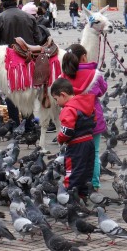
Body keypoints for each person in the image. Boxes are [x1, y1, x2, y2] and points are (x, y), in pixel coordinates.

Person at [0, 0, 43, 129]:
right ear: (15, 0)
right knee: (26, 94)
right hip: (28, 61)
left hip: (8, 64)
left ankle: (15, 125)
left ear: (2, 2)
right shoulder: (29, 17)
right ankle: (29, 125)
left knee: (11, 95)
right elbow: (39, 40)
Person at [61, 44, 108, 191]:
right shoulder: (94, 74)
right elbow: (103, 90)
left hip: (73, 122)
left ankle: (76, 183)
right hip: (93, 120)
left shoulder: (64, 76)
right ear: (83, 57)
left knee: (75, 154)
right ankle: (93, 184)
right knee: (94, 153)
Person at [51, 78, 95, 196]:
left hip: (76, 145)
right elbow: (94, 120)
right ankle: (83, 194)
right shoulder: (85, 104)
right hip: (89, 141)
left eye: (56, 99)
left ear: (63, 95)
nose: (56, 103)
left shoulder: (68, 109)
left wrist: (60, 138)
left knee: (73, 171)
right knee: (86, 170)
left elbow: (67, 131)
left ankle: (69, 195)